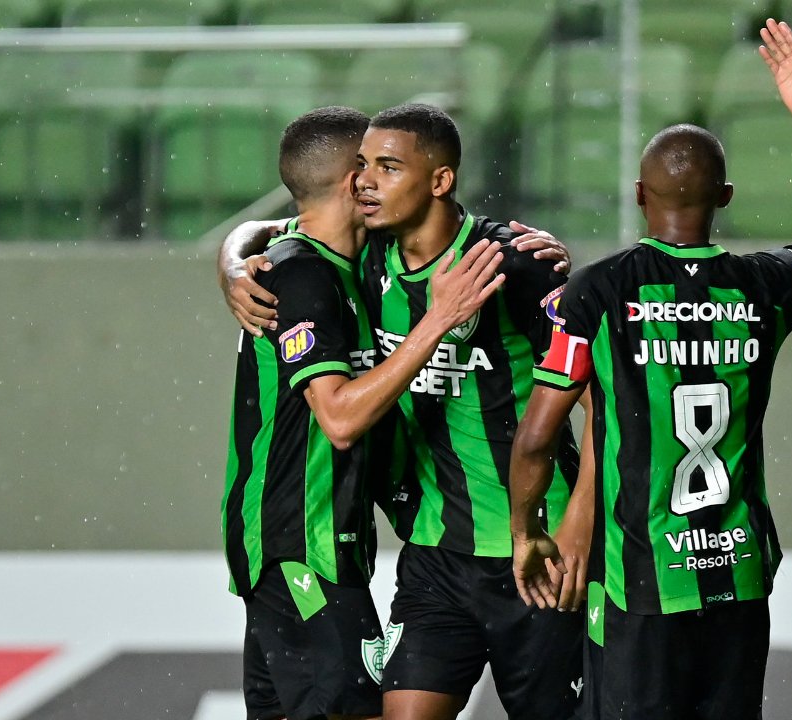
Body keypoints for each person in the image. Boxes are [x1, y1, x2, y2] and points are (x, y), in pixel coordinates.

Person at [509, 19, 792, 720]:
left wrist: (528, 528)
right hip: (736, 572)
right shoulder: (763, 287)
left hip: (640, 582)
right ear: (725, 198)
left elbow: (538, 437)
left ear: (640, 195)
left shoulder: (597, 294)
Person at [222, 104, 588, 720]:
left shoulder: (512, 265)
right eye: (362, 167)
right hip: (425, 556)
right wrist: (233, 260)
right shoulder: (353, 266)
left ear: (438, 179)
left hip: (537, 548)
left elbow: (604, 393)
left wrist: (580, 524)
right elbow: (299, 233)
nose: (368, 181)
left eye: (387, 167)